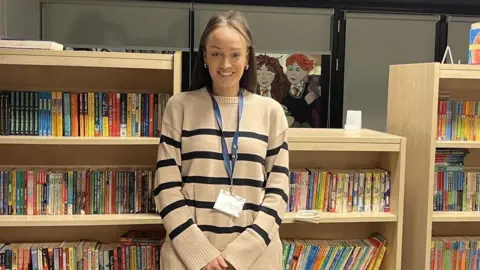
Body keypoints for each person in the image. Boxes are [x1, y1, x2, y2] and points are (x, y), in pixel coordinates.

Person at [153, 10, 290, 270]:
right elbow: (165, 186)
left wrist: (240, 254)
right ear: (205, 57)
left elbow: (279, 191)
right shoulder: (179, 107)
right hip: (188, 258)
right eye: (216, 53)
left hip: (256, 257)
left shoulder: (271, 112)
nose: (225, 64)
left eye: (235, 54)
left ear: (248, 58)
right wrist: (200, 253)